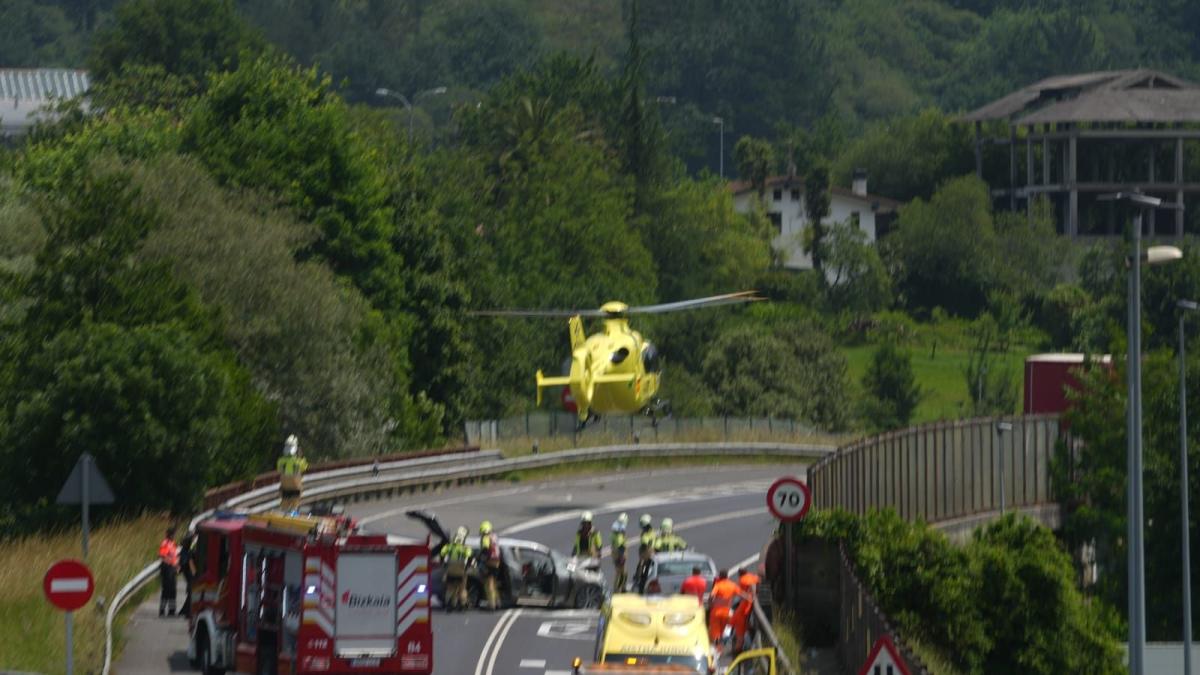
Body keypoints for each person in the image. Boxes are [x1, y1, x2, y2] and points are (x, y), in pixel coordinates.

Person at [441, 526, 473, 611]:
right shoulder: (465, 548)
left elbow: (442, 553)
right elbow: (469, 557)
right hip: (461, 570)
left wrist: (444, 565)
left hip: (451, 570)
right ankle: (462, 604)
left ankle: (449, 604)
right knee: (462, 588)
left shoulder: (449, 546)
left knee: (450, 588)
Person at [276, 434, 308, 512]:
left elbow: (279, 470)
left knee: (284, 506)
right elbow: (304, 467)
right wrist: (301, 457)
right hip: (295, 488)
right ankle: (293, 517)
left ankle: (283, 518)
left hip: (285, 488)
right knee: (294, 506)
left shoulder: (280, 461)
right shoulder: (298, 462)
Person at [732, 568, 761, 651]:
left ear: (739, 574)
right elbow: (757, 581)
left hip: (745, 607)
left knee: (739, 628)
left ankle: (738, 648)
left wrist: (752, 594)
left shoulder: (742, 580)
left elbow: (743, 591)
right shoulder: (753, 576)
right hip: (749, 604)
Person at [707, 569, 740, 643]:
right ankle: (723, 642)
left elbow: (712, 596)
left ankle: (717, 643)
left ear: (720, 576)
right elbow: (741, 593)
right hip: (727, 612)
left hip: (716, 612)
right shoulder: (732, 585)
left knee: (715, 630)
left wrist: (710, 603)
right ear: (727, 576)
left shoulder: (718, 585)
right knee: (726, 629)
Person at [479, 520, 502, 611]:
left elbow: (485, 550)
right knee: (494, 583)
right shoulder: (494, 537)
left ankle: (491, 604)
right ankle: (498, 602)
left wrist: (480, 559)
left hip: (489, 562)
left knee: (489, 584)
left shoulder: (485, 538)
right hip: (497, 563)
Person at [158, 527, 180, 617]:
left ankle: (172, 611)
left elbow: (175, 555)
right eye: (173, 534)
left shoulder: (173, 543)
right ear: (169, 534)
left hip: (172, 569)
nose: (174, 536)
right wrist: (172, 563)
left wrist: (177, 565)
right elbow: (162, 555)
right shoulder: (165, 543)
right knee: (166, 591)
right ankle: (162, 611)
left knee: (173, 591)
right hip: (167, 568)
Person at [633, 513, 656, 593]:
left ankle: (640, 584)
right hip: (652, 552)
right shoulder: (652, 531)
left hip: (646, 553)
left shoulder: (646, 534)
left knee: (642, 569)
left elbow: (645, 544)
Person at [178, 533, 197, 618]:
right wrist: (194, 573)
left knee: (190, 591)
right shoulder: (186, 552)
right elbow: (189, 563)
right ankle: (187, 612)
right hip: (188, 572)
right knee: (191, 590)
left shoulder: (185, 551)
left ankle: (184, 610)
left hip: (186, 571)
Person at [610, 513, 629, 592]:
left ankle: (619, 588)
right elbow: (620, 545)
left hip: (616, 554)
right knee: (622, 573)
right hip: (619, 555)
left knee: (620, 572)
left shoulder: (615, 531)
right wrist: (621, 557)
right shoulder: (619, 533)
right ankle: (619, 588)